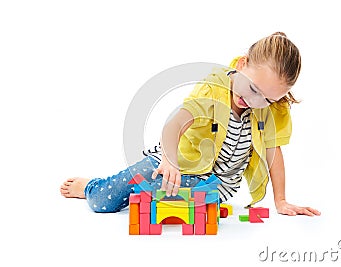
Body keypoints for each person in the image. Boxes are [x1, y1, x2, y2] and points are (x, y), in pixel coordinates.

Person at [60, 32, 321, 216]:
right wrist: (170, 161)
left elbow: (273, 154)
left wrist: (281, 200)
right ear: (242, 65)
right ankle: (91, 187)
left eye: (266, 98)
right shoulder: (214, 88)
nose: (254, 100)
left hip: (213, 185)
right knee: (105, 201)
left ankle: (151, 196)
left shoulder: (271, 108)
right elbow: (175, 124)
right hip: (173, 162)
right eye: (252, 88)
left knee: (168, 203)